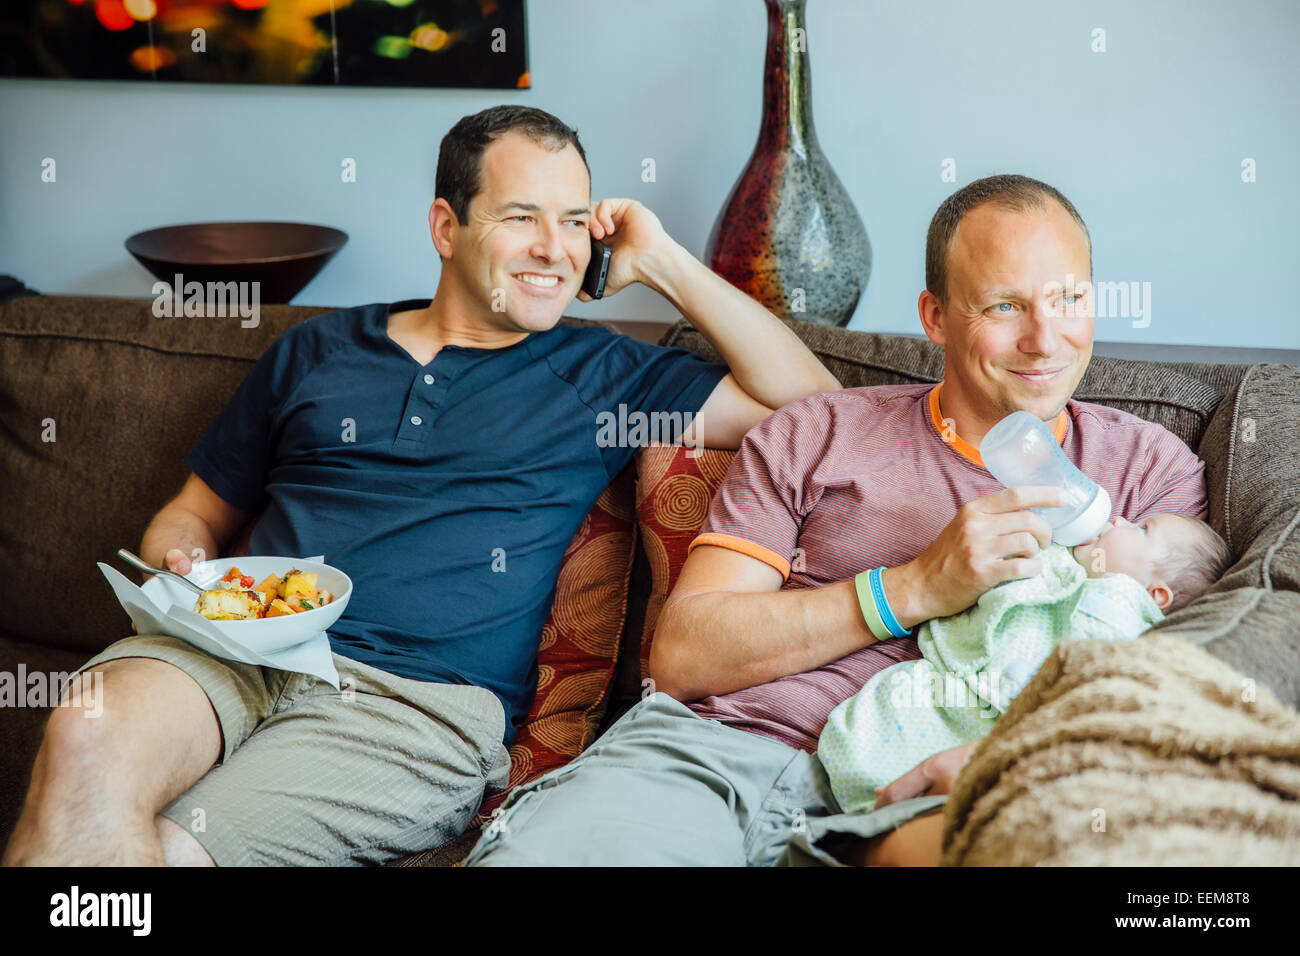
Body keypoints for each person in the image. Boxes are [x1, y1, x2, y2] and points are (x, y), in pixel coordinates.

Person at [2, 105, 840, 867]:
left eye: (576, 222)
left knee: (178, 854)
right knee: (82, 733)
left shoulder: (604, 375)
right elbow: (193, 511)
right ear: (447, 226)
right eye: (522, 217)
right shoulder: (319, 350)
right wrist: (178, 564)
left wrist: (660, 260)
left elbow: (820, 412)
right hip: (228, 645)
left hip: (412, 709)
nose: (556, 248)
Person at [465, 173, 1214, 867]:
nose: (1046, 339)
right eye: (1005, 306)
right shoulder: (817, 430)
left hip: (939, 781)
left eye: (1070, 299)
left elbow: (1165, 686)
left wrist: (1013, 762)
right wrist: (911, 588)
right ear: (936, 318)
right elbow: (685, 655)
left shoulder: (1150, 472)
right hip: (718, 758)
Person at [819, 513, 1233, 817]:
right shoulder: (1077, 577)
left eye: (1143, 529)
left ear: (1156, 595)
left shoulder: (1118, 605)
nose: (1120, 518)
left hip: (988, 724)